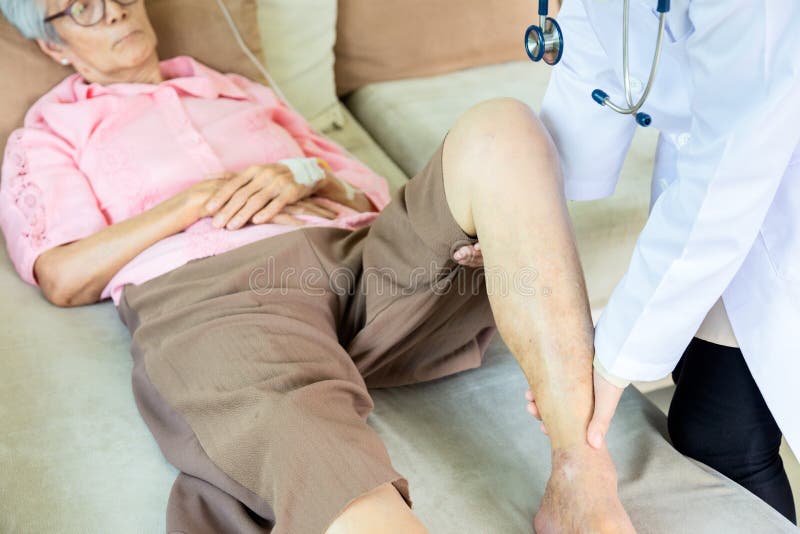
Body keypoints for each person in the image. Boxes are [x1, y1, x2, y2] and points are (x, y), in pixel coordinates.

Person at [1, 0, 637, 532]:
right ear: (54, 44)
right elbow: (61, 272)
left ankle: (579, 471)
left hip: (357, 259)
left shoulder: (237, 88)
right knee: (306, 442)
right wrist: (192, 202)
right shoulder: (49, 134)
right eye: (83, 6)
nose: (114, 10)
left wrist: (300, 175)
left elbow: (368, 195)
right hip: (215, 289)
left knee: (503, 127)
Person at [525, 0, 800, 525]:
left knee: (724, 441)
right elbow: (596, 50)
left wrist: (615, 358)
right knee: (708, 420)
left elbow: (730, 170)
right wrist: (524, 207)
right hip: (725, 180)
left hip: (765, 181)